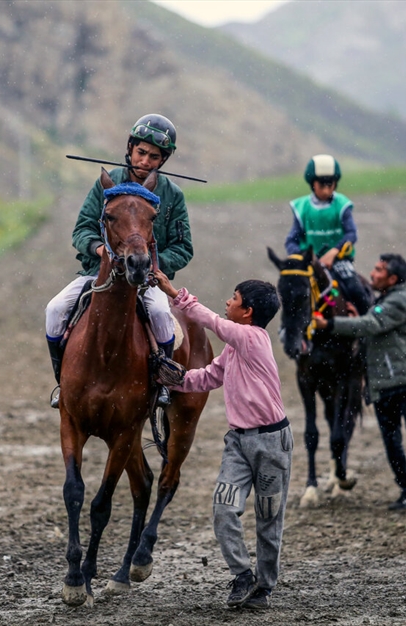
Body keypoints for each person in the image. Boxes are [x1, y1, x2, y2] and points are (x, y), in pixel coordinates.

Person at [153, 268, 290, 611]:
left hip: (272, 445)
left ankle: (263, 588)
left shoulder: (252, 338)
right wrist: (174, 379)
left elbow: (211, 321)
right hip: (238, 445)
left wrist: (174, 293)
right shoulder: (233, 348)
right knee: (224, 509)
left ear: (248, 312)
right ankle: (243, 575)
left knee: (268, 518)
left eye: (234, 299)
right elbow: (208, 377)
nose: (228, 303)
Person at [44, 114, 193, 408]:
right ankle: (64, 383)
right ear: (130, 148)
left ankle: (162, 383)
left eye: (154, 157)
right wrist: (102, 251)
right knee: (55, 309)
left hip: (147, 278)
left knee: (161, 315)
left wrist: (150, 263)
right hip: (98, 274)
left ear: (163, 160)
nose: (145, 161)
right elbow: (82, 230)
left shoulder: (173, 196)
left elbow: (183, 248)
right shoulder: (105, 185)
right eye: (141, 152)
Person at [313, 253, 406, 513]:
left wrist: (329, 324)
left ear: (393, 278)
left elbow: (371, 324)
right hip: (383, 384)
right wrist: (357, 318)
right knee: (394, 442)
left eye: (379, 270)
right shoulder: (384, 301)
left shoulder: (400, 300)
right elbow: (372, 326)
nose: (373, 274)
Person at [285, 154, 371, 314]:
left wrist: (334, 252)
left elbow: (351, 233)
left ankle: (367, 324)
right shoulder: (301, 207)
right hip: (310, 265)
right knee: (291, 295)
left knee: (357, 292)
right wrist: (304, 257)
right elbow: (291, 241)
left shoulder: (342, 205)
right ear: (313, 184)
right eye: (321, 185)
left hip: (339, 261)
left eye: (330, 185)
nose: (326, 190)